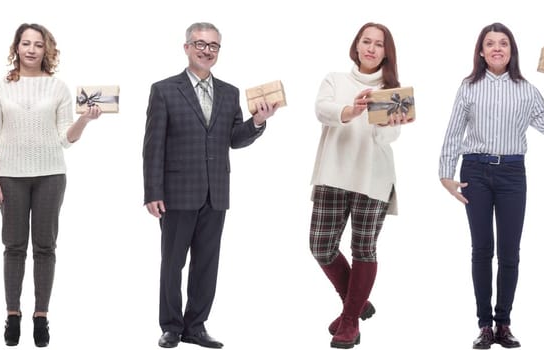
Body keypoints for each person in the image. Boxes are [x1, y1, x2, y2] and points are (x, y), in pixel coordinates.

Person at [438, 22, 544, 350]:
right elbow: (453, 131)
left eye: (503, 43)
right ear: (481, 51)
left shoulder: (526, 89)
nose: (497, 48)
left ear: (512, 51)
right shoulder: (469, 86)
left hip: (512, 175)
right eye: (490, 43)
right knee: (481, 250)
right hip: (474, 170)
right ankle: (484, 326)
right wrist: (446, 174)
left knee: (510, 253)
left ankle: (504, 324)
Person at [143, 22, 277, 349]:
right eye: (200, 44)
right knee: (172, 263)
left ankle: (196, 326)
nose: (207, 50)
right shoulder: (164, 90)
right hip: (176, 193)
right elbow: (152, 146)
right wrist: (152, 192)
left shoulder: (230, 93)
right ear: (187, 47)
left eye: (213, 46)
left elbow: (233, 139)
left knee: (207, 263)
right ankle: (172, 327)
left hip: (215, 192)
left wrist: (257, 122)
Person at [0, 23, 102, 348]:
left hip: (50, 174)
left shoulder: (59, 88)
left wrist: (85, 120)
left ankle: (40, 317)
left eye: (38, 44)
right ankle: (12, 316)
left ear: (46, 50)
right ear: (16, 47)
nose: (31, 49)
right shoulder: (0, 88)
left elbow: (66, 139)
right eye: (26, 43)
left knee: (45, 247)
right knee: (13, 246)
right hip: (10, 175)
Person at [309, 22, 412, 349]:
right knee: (320, 246)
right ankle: (355, 301)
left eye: (378, 44)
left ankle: (351, 319)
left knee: (363, 248)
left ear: (386, 52)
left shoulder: (392, 91)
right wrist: (351, 110)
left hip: (373, 178)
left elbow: (387, 139)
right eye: (365, 41)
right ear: (356, 46)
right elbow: (322, 111)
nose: (371, 48)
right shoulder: (335, 80)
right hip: (333, 175)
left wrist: (385, 121)